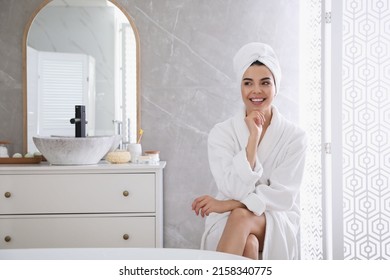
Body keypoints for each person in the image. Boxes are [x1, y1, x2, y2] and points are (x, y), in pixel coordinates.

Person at [192, 42, 307, 260]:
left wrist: (227, 204)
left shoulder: (295, 137)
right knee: (249, 244)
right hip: (225, 217)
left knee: (240, 217)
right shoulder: (222, 133)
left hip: (275, 217)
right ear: (240, 87)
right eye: (248, 83)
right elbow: (232, 187)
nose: (256, 90)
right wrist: (252, 141)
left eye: (265, 82)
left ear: (276, 86)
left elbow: (283, 197)